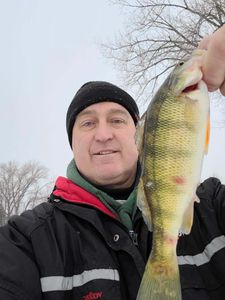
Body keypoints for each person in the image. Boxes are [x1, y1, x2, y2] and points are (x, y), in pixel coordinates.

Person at [1, 26, 225, 300]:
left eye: (117, 120)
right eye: (87, 123)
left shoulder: (212, 207)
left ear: (141, 135)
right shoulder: (24, 240)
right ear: (73, 143)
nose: (104, 134)